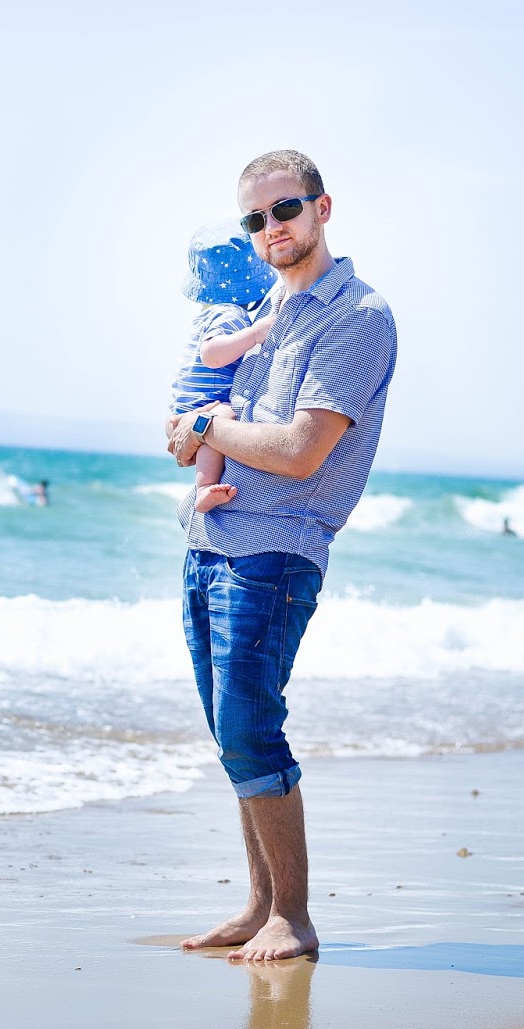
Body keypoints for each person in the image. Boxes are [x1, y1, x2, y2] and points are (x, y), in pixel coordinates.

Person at [166, 149, 397, 962]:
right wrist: (190, 433)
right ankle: (261, 903)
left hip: (277, 548)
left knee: (250, 728)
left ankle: (293, 918)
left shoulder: (358, 317)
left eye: (287, 210)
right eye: (255, 219)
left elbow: (302, 451)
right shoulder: (258, 310)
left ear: (323, 208)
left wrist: (205, 430)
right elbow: (193, 420)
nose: (273, 229)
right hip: (210, 543)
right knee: (232, 735)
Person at [173, 222, 280, 513]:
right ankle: (205, 488)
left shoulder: (211, 313)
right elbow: (211, 355)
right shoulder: (230, 314)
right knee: (223, 417)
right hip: (204, 403)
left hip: (186, 404)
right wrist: (255, 335)